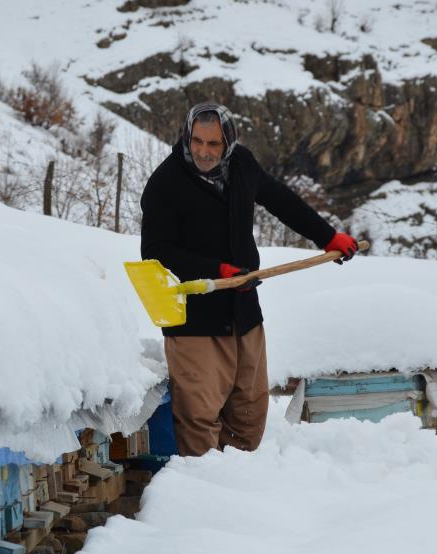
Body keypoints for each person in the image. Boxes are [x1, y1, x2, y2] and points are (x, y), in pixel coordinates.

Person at [140, 102, 358, 457]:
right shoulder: (166, 184)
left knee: (249, 416)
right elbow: (156, 253)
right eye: (197, 141)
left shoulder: (241, 164)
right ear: (186, 137)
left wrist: (327, 237)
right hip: (195, 323)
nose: (203, 152)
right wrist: (219, 271)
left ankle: (239, 489)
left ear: (228, 142)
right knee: (199, 420)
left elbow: (281, 201)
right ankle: (200, 497)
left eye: (213, 144)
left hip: (244, 315)